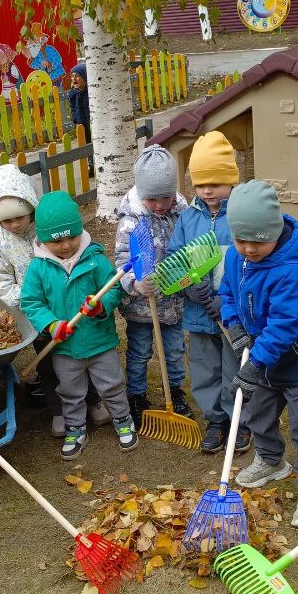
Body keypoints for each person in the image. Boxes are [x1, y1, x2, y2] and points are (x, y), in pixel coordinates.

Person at [219, 181, 298, 530]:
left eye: (258, 241)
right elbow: (227, 294)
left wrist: (254, 363)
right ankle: (271, 460)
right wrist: (235, 328)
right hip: (263, 360)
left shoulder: (291, 273)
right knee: (257, 413)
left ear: (275, 231)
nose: (249, 249)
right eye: (241, 240)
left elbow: (284, 327)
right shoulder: (235, 258)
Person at [20, 192, 138, 460]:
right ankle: (75, 427)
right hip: (65, 347)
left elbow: (113, 290)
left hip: (100, 341)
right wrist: (50, 325)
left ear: (79, 230)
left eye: (71, 237)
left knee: (111, 384)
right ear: (43, 238)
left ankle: (123, 419)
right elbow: (31, 302)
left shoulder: (95, 258)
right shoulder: (38, 268)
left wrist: (100, 307)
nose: (65, 246)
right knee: (70, 390)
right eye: (56, 240)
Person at [169, 131, 250, 455]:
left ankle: (238, 422)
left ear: (231, 180)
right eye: (201, 183)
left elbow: (251, 261)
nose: (207, 190)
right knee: (204, 370)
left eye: (215, 182)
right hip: (197, 313)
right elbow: (175, 261)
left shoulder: (241, 217)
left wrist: (227, 300)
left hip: (232, 313)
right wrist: (191, 287)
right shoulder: (188, 219)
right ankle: (215, 420)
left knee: (235, 368)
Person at [0, 163, 64, 434]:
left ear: (31, 207)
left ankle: (93, 400)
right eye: (6, 221)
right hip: (36, 313)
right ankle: (59, 411)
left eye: (20, 217)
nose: (15, 224)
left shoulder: (46, 227)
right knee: (48, 362)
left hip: (65, 303)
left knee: (77, 354)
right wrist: (28, 300)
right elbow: (1, 281)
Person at [115, 146, 190, 424]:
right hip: (140, 306)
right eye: (152, 198)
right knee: (139, 352)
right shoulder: (131, 219)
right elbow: (122, 259)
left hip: (172, 301)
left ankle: (175, 391)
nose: (159, 204)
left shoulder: (182, 212)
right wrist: (134, 283)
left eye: (165, 197)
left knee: (174, 351)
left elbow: (188, 249)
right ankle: (136, 395)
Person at [65, 63, 90, 142]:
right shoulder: (73, 93)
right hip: (81, 125)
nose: (74, 78)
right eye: (72, 76)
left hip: (92, 124)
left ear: (85, 77)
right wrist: (75, 120)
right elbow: (73, 108)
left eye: (77, 76)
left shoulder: (90, 93)